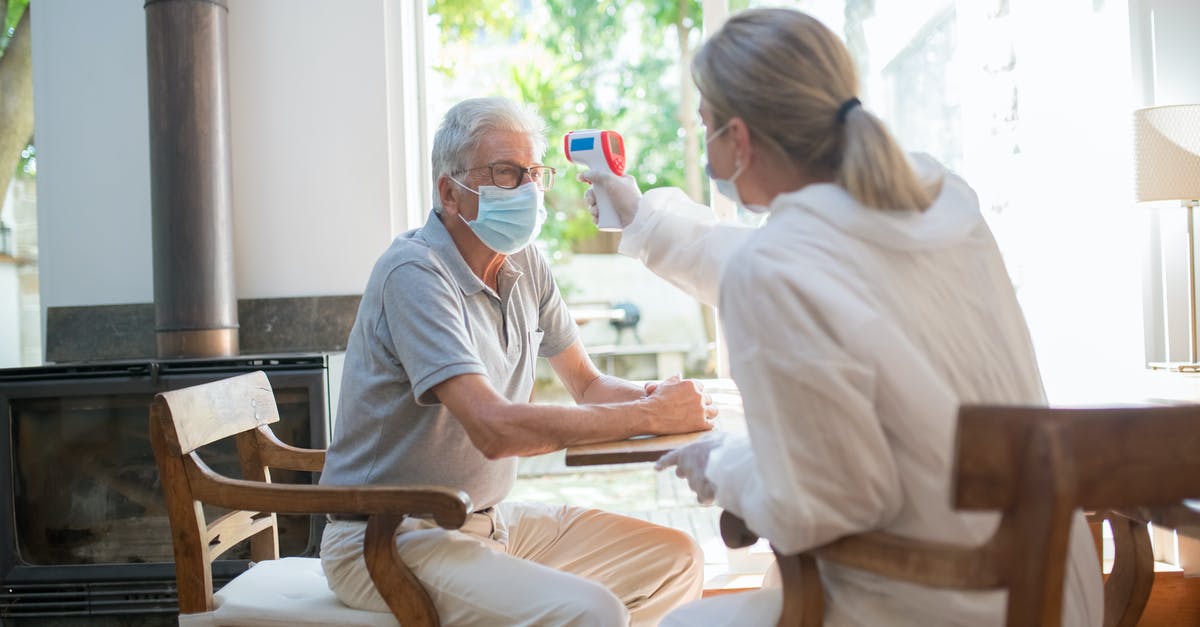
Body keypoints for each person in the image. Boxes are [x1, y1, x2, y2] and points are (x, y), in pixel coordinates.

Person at [580, 8, 1103, 626]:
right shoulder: (941, 197)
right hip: (1058, 596)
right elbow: (772, 260)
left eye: (706, 125)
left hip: (936, 602)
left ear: (740, 140)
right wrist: (642, 217)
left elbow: (818, 508)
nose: (706, 144)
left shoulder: (777, 267)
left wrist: (722, 466)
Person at [319, 96, 716, 627]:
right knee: (592, 610)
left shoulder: (525, 264)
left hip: (484, 522)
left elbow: (589, 386)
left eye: (534, 173)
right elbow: (493, 428)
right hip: (384, 539)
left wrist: (662, 401)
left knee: (676, 559)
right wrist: (648, 417)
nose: (527, 190)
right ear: (450, 193)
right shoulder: (414, 272)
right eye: (506, 173)